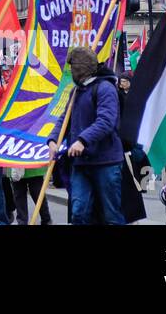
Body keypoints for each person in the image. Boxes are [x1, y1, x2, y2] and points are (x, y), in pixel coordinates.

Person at [47, 47, 123, 225]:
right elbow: (64, 120)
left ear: (79, 69)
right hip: (81, 163)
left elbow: (106, 120)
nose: (70, 72)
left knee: (111, 215)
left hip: (106, 162)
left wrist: (82, 140)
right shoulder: (75, 92)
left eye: (72, 68)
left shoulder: (105, 89)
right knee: (79, 212)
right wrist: (52, 140)